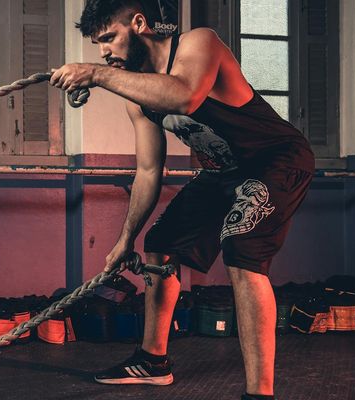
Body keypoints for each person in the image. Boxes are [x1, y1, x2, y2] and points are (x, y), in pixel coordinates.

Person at [49, 1, 314, 399]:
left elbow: (185, 96)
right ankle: (152, 360)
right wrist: (125, 242)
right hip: (222, 172)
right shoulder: (136, 95)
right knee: (160, 245)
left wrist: (95, 74)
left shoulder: (198, 44)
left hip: (275, 160)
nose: (102, 51)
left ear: (138, 23)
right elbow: (149, 172)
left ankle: (260, 393)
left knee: (242, 251)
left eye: (108, 38)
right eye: (97, 45)